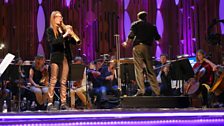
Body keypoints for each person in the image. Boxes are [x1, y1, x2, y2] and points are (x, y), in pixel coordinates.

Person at [46, 11, 80, 110]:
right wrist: (65, 35)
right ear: (53, 18)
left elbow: (73, 42)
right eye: (59, 17)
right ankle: (49, 103)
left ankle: (63, 103)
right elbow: (53, 42)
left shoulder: (63, 29)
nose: (61, 18)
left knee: (63, 81)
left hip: (65, 57)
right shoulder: (50, 30)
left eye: (61, 16)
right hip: (56, 57)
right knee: (53, 80)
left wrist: (71, 34)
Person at [122, 11, 160, 96]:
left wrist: (126, 43)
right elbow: (158, 39)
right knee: (150, 69)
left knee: (139, 69)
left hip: (138, 47)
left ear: (138, 17)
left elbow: (131, 36)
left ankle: (142, 90)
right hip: (148, 48)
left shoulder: (135, 24)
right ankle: (157, 91)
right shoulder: (152, 26)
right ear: (146, 17)